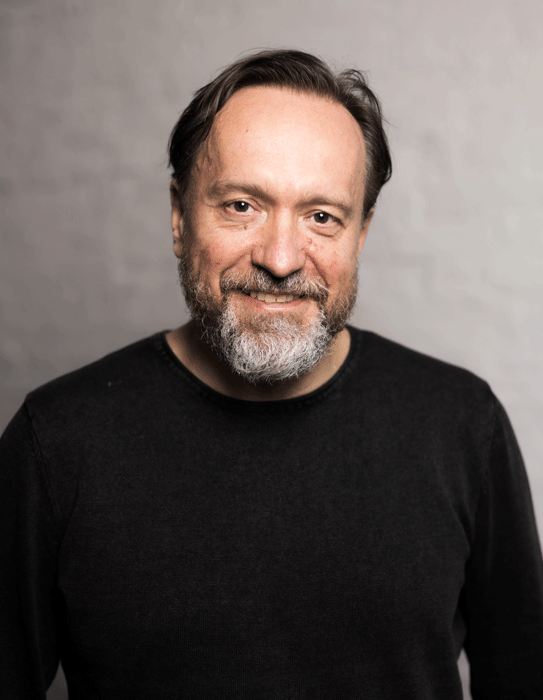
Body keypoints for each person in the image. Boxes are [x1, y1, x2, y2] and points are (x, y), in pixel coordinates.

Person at [1, 49, 542, 699]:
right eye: (241, 205)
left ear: (361, 234)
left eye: (322, 216)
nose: (281, 259)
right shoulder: (56, 443)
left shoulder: (462, 426)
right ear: (179, 216)